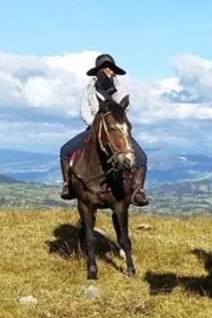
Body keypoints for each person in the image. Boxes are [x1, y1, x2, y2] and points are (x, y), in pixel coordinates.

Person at [59, 54, 148, 205]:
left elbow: (123, 107)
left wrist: (113, 89)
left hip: (116, 131)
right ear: (98, 70)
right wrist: (96, 126)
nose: (107, 70)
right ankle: (68, 185)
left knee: (141, 158)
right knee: (65, 151)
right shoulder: (89, 89)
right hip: (94, 129)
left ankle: (137, 190)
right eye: (104, 67)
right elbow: (84, 111)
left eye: (110, 68)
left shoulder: (119, 87)